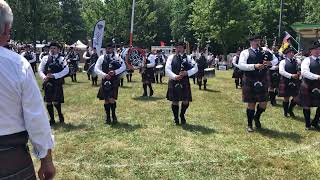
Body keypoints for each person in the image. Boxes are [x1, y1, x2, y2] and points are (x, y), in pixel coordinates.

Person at [0, 1, 55, 179]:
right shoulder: (17, 64)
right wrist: (46, 160)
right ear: (6, 28)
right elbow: (36, 118)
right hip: (9, 157)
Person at [238, 34, 278, 132]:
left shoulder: (265, 51)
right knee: (251, 103)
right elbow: (241, 65)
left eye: (259, 41)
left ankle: (257, 117)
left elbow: (276, 59)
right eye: (255, 41)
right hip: (250, 79)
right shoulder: (245, 52)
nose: (257, 42)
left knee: (263, 103)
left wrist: (270, 63)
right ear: (251, 42)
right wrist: (254, 66)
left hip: (262, 78)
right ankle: (249, 124)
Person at [165, 42, 198, 125]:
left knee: (186, 101)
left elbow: (195, 68)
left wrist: (187, 73)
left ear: (184, 49)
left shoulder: (189, 58)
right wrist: (174, 76)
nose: (179, 49)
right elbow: (167, 69)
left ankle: (182, 115)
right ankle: (176, 118)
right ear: (175, 48)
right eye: (177, 47)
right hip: (174, 80)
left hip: (184, 81)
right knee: (175, 101)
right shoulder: (171, 57)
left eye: (180, 47)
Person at [39, 42, 69, 126]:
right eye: (51, 48)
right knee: (48, 101)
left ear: (58, 50)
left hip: (57, 82)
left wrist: (54, 76)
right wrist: (44, 77)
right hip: (48, 83)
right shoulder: (45, 58)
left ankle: (60, 114)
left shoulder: (62, 59)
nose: (52, 50)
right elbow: (40, 69)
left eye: (54, 48)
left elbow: (66, 70)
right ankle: (51, 119)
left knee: (56, 101)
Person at [95, 43, 126, 124]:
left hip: (114, 81)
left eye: (111, 48)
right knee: (106, 100)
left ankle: (114, 115)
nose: (109, 50)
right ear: (105, 49)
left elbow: (123, 67)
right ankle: (108, 117)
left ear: (113, 49)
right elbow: (96, 68)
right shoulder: (101, 57)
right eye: (107, 49)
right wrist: (104, 75)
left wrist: (115, 72)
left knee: (112, 99)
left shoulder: (117, 57)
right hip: (105, 80)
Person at [298, 41, 320, 130]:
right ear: (311, 51)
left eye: (319, 49)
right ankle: (307, 124)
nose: (318, 51)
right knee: (306, 105)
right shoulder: (307, 60)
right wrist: (317, 77)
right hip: (308, 85)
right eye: (315, 49)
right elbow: (304, 72)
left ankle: (315, 121)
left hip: (319, 85)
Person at [278, 46, 301, 117]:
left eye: (292, 52)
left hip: (295, 81)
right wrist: (291, 75)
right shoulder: (282, 62)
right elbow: (281, 71)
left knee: (296, 98)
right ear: (286, 54)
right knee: (286, 98)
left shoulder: (297, 61)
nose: (291, 54)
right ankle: (285, 112)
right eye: (289, 53)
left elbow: (300, 69)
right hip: (286, 81)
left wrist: (299, 73)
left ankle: (290, 109)